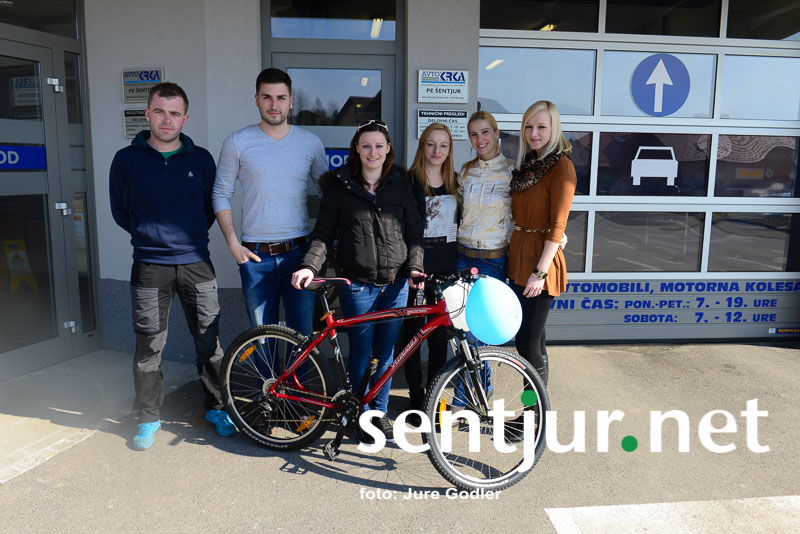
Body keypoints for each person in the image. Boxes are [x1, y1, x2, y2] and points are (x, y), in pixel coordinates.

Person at [109, 82, 236, 451]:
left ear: (185, 118)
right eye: (160, 112)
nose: (167, 120)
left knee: (209, 342)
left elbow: (209, 211)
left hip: (197, 264)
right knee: (148, 346)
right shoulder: (126, 160)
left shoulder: (201, 160)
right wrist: (150, 236)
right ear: (147, 113)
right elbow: (121, 211)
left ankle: (218, 408)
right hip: (149, 267)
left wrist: (187, 238)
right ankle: (148, 417)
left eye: (175, 113)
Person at [291, 120, 424, 442]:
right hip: (358, 286)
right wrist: (309, 266)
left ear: (388, 149)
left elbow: (415, 234)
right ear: (357, 149)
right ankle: (360, 414)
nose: (372, 152)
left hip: (396, 285)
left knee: (386, 352)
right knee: (362, 352)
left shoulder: (401, 185)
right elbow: (323, 234)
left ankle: (379, 413)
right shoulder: (340, 187)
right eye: (366, 146)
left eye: (379, 146)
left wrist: (415, 267)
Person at [213, 68, 327, 342]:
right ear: (256, 99)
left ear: (291, 101)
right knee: (262, 338)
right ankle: (268, 374)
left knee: (302, 337)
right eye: (267, 97)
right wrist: (233, 244)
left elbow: (329, 195)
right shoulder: (237, 141)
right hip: (255, 258)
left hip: (299, 256)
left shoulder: (310, 143)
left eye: (281, 98)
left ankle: (298, 375)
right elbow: (220, 193)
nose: (274, 105)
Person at [509, 100, 576, 386]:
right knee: (533, 342)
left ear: (554, 128)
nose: (533, 133)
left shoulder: (561, 167)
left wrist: (539, 273)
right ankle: (536, 408)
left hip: (540, 264)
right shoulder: (528, 166)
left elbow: (558, 225)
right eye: (529, 127)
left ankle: (533, 410)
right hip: (519, 257)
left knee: (527, 344)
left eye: (541, 127)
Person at [398, 123, 459, 417]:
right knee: (412, 337)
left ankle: (433, 396)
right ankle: (415, 395)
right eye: (431, 144)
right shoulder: (408, 181)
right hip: (416, 273)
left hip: (446, 274)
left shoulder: (456, 183)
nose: (437, 151)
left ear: (449, 150)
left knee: (438, 341)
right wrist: (411, 268)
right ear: (422, 146)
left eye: (443, 145)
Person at [457, 110, 514, 283]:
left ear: (496, 133)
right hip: (462, 257)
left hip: (494, 260)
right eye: (473, 134)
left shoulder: (512, 171)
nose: (480, 139)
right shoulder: (465, 171)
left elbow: (526, 212)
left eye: (485, 132)